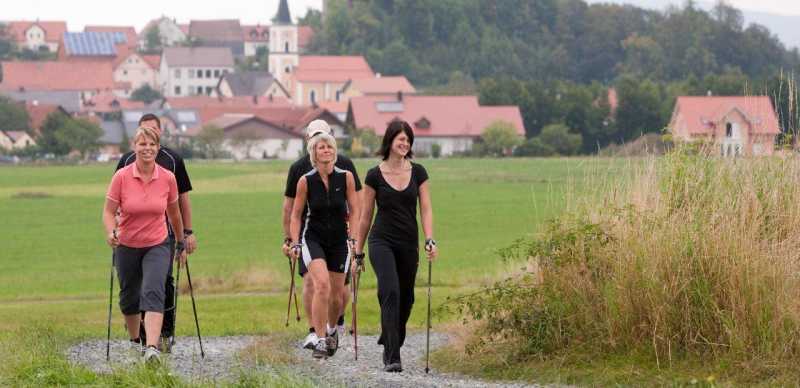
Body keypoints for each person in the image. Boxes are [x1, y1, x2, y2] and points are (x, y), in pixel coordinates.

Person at [355, 120, 438, 372]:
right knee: (390, 291)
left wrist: (429, 238)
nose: (405, 143)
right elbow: (366, 216)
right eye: (401, 139)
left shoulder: (419, 172)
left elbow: (425, 208)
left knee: (407, 298)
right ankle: (392, 356)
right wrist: (358, 252)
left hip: (408, 242)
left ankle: (391, 334)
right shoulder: (374, 175)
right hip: (381, 241)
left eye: (408, 140)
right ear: (390, 140)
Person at [103, 126, 187, 364]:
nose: (147, 149)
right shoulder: (121, 177)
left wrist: (180, 241)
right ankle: (134, 342)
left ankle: (152, 347)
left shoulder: (167, 178)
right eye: (142, 144)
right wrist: (111, 232)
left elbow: (175, 214)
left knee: (154, 291)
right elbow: (108, 212)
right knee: (129, 298)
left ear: (158, 148)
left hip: (157, 243)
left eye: (151, 144)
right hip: (127, 243)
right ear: (134, 146)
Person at [282, 120, 361, 350]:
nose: (325, 149)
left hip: (339, 239)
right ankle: (318, 337)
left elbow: (356, 208)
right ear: (312, 149)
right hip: (312, 237)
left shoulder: (345, 174)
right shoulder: (303, 177)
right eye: (320, 146)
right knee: (319, 285)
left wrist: (354, 238)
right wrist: (292, 241)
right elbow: (293, 213)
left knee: (337, 294)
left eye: (329, 145)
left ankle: (332, 329)